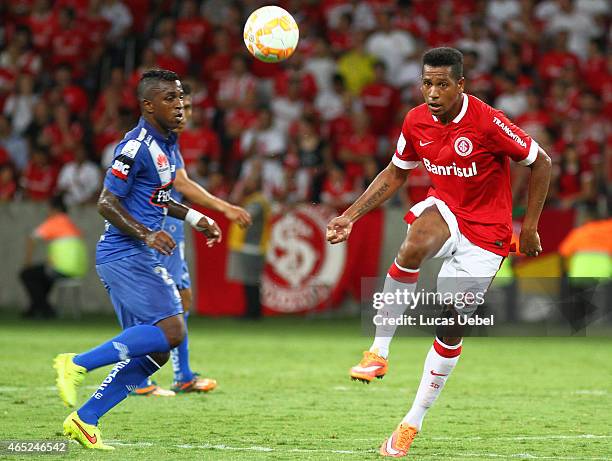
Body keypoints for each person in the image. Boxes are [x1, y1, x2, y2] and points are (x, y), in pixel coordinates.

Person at [326, 48, 552, 457]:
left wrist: (531, 226)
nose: (432, 92)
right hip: (447, 209)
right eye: (427, 83)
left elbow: (541, 163)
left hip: (488, 234)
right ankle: (379, 350)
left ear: (460, 85)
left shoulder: (488, 121)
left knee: (450, 327)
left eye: (442, 84)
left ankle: (412, 420)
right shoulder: (415, 121)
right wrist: (350, 216)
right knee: (413, 243)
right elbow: (397, 172)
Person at [53, 70, 221, 450]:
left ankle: (85, 419)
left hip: (137, 253)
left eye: (180, 98)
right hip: (125, 253)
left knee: (158, 350)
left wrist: (197, 218)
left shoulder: (169, 142)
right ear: (147, 106)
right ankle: (76, 363)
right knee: (173, 330)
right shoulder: (134, 147)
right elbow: (106, 203)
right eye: (169, 99)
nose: (179, 106)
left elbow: (159, 198)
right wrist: (146, 233)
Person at [132, 82, 251, 396]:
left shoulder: (170, 143)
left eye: (189, 108)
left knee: (181, 300)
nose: (185, 113)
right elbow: (182, 184)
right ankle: (139, 377)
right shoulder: (151, 143)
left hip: (170, 226)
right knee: (161, 304)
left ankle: (181, 373)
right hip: (156, 228)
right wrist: (225, 207)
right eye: (179, 106)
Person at [20, 194, 88, 318]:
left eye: (48, 208)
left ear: (54, 209)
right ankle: (35, 309)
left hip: (62, 269)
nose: (47, 211)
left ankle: (47, 309)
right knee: (43, 279)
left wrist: (28, 261)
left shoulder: (55, 221)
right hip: (77, 269)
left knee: (26, 274)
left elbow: (32, 238)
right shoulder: (70, 224)